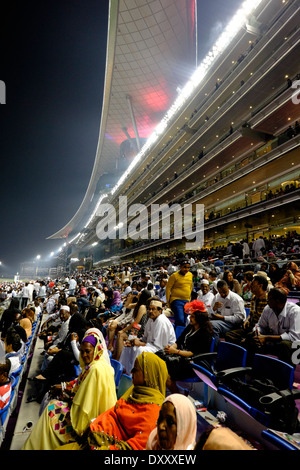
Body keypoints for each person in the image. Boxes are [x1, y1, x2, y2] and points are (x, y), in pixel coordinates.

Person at [22, 330, 117, 450]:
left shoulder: (95, 370)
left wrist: (67, 396)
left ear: (96, 350)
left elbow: (84, 407)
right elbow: (79, 386)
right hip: (86, 415)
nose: (83, 355)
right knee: (51, 404)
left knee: (50, 410)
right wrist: (63, 388)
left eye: (87, 351)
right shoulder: (96, 365)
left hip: (84, 423)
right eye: (81, 351)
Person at [58, 351, 168, 450]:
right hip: (93, 435)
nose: (131, 372)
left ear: (148, 376)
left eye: (136, 369)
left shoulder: (154, 411)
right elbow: (115, 411)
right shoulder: (135, 391)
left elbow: (134, 447)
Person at [156, 300, 213, 392]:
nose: (190, 318)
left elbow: (193, 353)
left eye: (193, 316)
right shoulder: (190, 327)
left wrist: (175, 351)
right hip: (182, 357)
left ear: (199, 318)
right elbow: (179, 341)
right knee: (158, 355)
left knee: (166, 367)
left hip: (194, 363)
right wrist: (172, 348)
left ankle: (176, 393)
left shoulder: (205, 333)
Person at [119, 299, 176, 375]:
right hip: (151, 345)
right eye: (149, 309)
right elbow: (145, 338)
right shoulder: (151, 319)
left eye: (153, 309)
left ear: (160, 311)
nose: (150, 311)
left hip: (162, 350)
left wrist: (140, 343)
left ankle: (134, 376)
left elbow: (159, 345)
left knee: (140, 350)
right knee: (128, 346)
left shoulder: (161, 321)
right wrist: (135, 341)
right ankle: (123, 370)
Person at [245, 288, 300, 366]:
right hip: (274, 341)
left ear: (277, 301)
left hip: (296, 346)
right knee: (251, 336)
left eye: (269, 299)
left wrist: (266, 337)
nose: (267, 301)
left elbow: (294, 337)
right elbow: (260, 325)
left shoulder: (295, 311)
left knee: (285, 345)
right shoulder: (268, 308)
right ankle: (250, 369)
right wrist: (258, 333)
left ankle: (285, 374)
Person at [225, 275, 268, 346]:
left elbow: (265, 323)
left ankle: (244, 345)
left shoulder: (268, 300)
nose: (250, 286)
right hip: (250, 327)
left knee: (249, 340)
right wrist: (247, 320)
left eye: (253, 284)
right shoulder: (254, 297)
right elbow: (251, 313)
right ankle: (243, 344)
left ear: (260, 286)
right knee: (229, 335)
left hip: (260, 330)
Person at [110, 289, 151, 361]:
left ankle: (119, 358)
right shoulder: (139, 304)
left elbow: (136, 323)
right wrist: (131, 297)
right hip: (136, 328)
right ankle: (115, 355)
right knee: (119, 333)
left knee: (120, 335)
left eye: (140, 293)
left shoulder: (142, 307)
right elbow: (126, 305)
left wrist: (123, 330)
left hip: (139, 331)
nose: (138, 294)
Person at [166, 260, 193, 327]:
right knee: (180, 320)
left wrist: (189, 299)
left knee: (184, 320)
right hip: (176, 300)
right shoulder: (174, 276)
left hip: (187, 301)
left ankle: (179, 335)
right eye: (184, 267)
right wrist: (168, 302)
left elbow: (190, 287)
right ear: (180, 267)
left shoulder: (190, 275)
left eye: (188, 267)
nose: (186, 269)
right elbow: (168, 289)